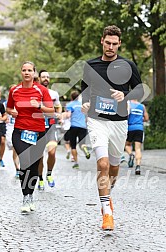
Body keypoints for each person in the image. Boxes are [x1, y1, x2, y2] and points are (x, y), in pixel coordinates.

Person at [81, 25, 143, 231]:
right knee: (104, 164)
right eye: (108, 42)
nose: (110, 47)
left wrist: (125, 96)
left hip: (119, 122)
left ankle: (108, 194)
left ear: (119, 44)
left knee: (114, 167)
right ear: (102, 41)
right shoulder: (90, 65)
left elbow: (140, 90)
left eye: (114, 44)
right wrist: (85, 103)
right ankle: (106, 212)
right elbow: (85, 89)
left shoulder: (128, 65)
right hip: (97, 120)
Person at [6, 61, 54, 214]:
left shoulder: (41, 90)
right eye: (24, 70)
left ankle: (30, 195)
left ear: (34, 73)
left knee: (33, 166)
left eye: (29, 70)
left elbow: (51, 112)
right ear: (21, 72)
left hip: (38, 133)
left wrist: (39, 106)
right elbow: (8, 107)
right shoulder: (15, 90)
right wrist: (11, 112)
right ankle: (25, 197)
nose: (27, 73)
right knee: (25, 162)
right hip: (20, 131)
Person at [37, 69, 62, 190]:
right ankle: (40, 179)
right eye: (43, 77)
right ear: (39, 78)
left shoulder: (54, 93)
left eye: (48, 77)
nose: (46, 79)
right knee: (40, 156)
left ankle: (49, 174)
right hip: (37, 126)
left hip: (51, 126)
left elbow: (58, 106)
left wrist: (59, 114)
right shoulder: (34, 92)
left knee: (52, 152)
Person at [58, 90, 90, 169]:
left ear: (71, 97)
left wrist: (62, 118)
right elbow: (87, 116)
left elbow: (68, 115)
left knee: (73, 146)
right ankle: (84, 148)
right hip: (83, 126)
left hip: (74, 126)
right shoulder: (82, 105)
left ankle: (76, 163)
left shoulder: (70, 104)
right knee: (82, 143)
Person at [125, 99, 149, 175]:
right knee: (138, 148)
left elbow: (126, 116)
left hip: (130, 128)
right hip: (139, 128)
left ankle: (131, 154)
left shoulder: (128, 104)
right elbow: (146, 118)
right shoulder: (142, 106)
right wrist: (140, 119)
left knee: (127, 145)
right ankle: (138, 166)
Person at [6, 113, 20, 178]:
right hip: (12, 128)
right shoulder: (7, 104)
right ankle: (17, 169)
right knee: (15, 148)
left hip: (24, 127)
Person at [0, 87, 7, 167]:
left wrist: (2, 119)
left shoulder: (1, 103)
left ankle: (0, 159)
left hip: (1, 125)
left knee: (2, 141)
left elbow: (5, 115)